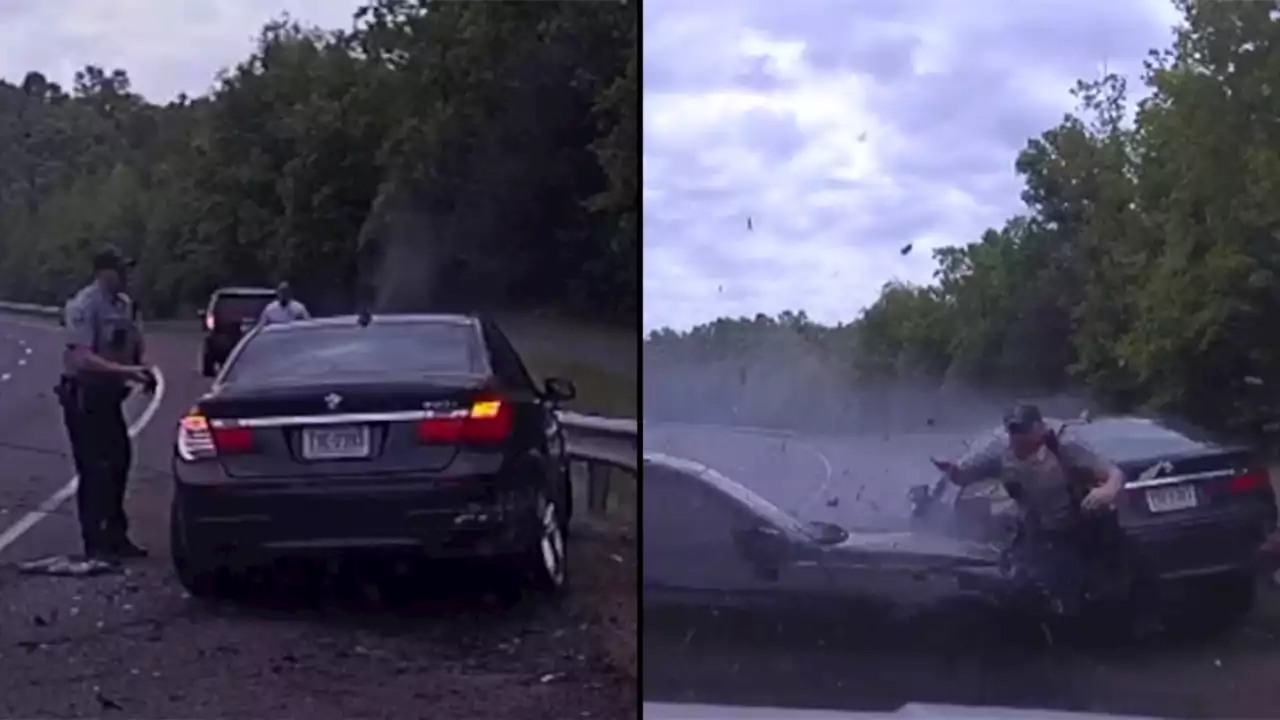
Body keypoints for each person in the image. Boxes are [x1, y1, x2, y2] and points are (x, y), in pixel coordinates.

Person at [931, 403, 1126, 614]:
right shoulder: (999, 452)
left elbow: (1114, 474)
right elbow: (963, 476)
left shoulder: (1064, 444)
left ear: (1039, 428)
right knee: (1035, 586)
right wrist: (951, 470)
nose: (1018, 437)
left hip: (1082, 523)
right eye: (1013, 431)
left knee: (1112, 581)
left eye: (1023, 430)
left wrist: (1105, 491)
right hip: (1042, 530)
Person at [59, 246, 154, 562]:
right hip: (84, 396)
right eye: (120, 270)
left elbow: (130, 343)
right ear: (103, 272)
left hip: (109, 396)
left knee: (119, 462)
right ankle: (94, 542)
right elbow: (82, 358)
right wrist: (127, 372)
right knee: (94, 468)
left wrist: (140, 369)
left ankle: (116, 536)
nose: (126, 276)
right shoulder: (84, 305)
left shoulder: (124, 305)